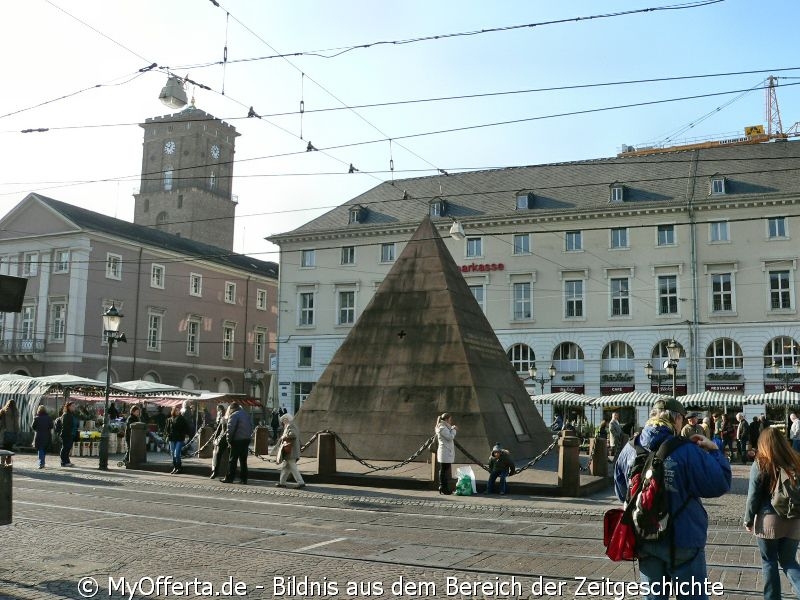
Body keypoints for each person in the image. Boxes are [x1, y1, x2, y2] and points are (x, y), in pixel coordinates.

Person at [614, 398, 732, 598]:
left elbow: (621, 492)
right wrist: (713, 451)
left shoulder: (628, 450)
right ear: (676, 419)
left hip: (645, 536)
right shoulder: (687, 449)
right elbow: (719, 482)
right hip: (684, 538)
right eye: (682, 420)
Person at [743, 427, 800, 600]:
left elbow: (753, 496)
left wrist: (748, 519)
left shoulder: (761, 462)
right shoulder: (796, 460)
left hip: (769, 520)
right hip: (794, 519)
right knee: (789, 560)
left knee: (769, 561)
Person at [223, 402, 253, 485]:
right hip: (246, 439)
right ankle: (244, 479)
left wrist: (228, 440)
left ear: (232, 408)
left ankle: (229, 478)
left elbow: (230, 429)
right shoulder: (246, 414)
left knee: (232, 460)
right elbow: (251, 426)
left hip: (237, 440)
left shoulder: (234, 415)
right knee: (243, 461)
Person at [275, 412, 305, 488]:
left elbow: (293, 435)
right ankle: (282, 482)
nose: (282, 423)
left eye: (283, 421)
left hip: (291, 451)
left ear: (286, 419)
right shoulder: (291, 425)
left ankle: (301, 482)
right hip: (290, 450)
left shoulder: (290, 425)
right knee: (285, 467)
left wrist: (284, 436)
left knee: (293, 468)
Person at [435, 412, 456, 495]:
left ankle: (443, 487)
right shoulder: (442, 428)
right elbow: (450, 437)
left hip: (445, 451)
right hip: (445, 451)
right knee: (444, 470)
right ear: (447, 419)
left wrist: (451, 429)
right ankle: (443, 487)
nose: (451, 421)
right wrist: (454, 430)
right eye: (450, 419)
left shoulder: (443, 427)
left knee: (444, 469)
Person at [165, 405, 189, 474]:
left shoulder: (182, 419)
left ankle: (179, 467)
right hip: (172, 438)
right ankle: (175, 467)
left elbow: (186, 428)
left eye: (178, 410)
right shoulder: (169, 419)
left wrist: (186, 436)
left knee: (177, 453)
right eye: (176, 410)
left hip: (179, 438)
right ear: (173, 411)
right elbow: (167, 429)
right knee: (173, 453)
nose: (177, 412)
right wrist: (167, 435)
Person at [210, 403, 228, 479]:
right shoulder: (223, 418)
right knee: (217, 454)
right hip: (223, 439)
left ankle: (226, 473)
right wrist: (215, 438)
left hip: (228, 439)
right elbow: (219, 429)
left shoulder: (230, 417)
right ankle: (215, 471)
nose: (219, 412)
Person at [59, 401, 77, 467]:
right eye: (73, 406)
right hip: (66, 434)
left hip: (71, 434)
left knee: (68, 448)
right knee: (65, 448)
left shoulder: (71, 414)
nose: (74, 407)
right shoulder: (66, 415)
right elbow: (65, 426)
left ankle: (67, 461)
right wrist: (67, 434)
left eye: (74, 406)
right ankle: (63, 462)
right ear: (69, 407)